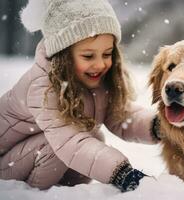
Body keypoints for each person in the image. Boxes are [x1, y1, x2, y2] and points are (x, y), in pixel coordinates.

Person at [0, 0, 160, 192]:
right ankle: (32, 194)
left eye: (107, 54)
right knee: (60, 146)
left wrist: (159, 125)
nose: (100, 64)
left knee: (93, 137)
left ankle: (67, 192)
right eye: (88, 56)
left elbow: (122, 116)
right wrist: (123, 174)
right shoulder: (42, 87)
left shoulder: (96, 80)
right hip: (6, 163)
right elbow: (69, 142)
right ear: (63, 55)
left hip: (37, 157)